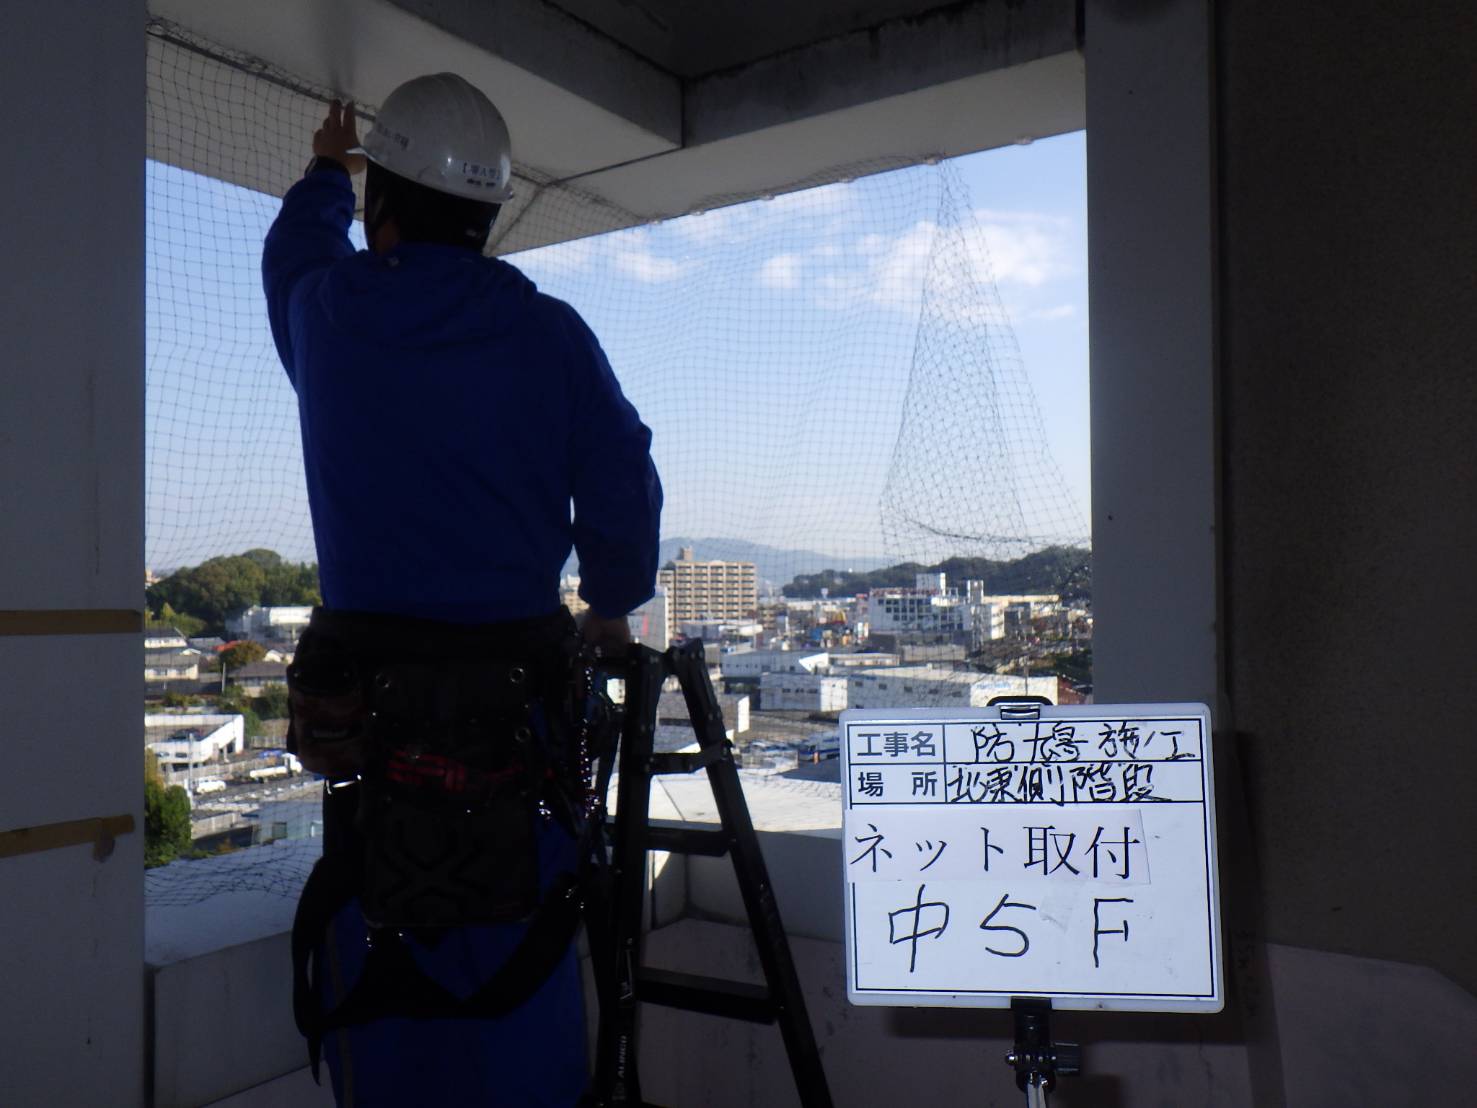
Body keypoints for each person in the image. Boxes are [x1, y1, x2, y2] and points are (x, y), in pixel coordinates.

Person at [262, 76, 662, 1106]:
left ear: (381, 205)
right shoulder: (550, 334)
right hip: (517, 744)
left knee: (387, 1005)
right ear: (488, 218)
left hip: (376, 752)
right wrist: (609, 599)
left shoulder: (328, 314)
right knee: (519, 997)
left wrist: (324, 171)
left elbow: (293, 253)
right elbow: (623, 487)